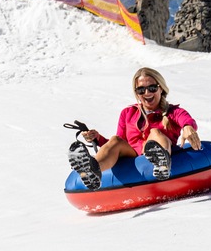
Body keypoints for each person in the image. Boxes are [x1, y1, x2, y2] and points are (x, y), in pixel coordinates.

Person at [68, 67, 202, 190]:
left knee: (155, 133)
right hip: (132, 154)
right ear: (137, 93)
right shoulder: (128, 113)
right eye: (141, 90)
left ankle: (161, 162)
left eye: (152, 88)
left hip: (157, 150)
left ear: (161, 88)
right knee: (115, 139)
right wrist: (97, 138)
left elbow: (187, 120)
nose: (147, 93)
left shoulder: (173, 112)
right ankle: (92, 170)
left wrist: (188, 127)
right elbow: (119, 145)